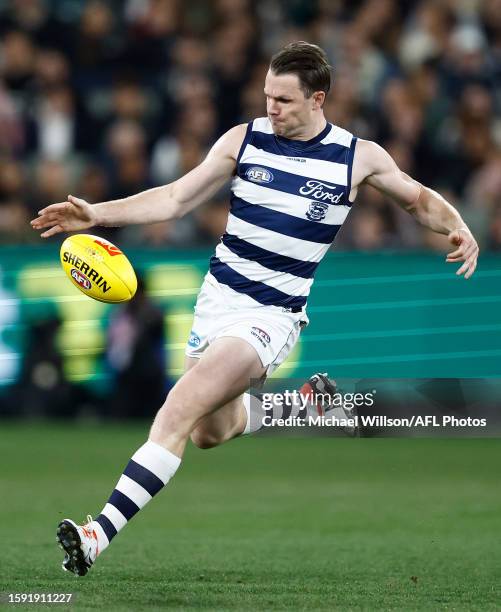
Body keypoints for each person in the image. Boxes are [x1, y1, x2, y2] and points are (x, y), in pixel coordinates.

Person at [31, 41, 479, 576]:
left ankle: (97, 533)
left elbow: (418, 199)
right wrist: (97, 214)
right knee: (207, 432)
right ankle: (306, 406)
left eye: (284, 100)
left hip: (270, 316)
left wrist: (457, 224)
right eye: (267, 95)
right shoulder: (244, 140)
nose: (271, 108)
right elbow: (175, 198)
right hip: (217, 299)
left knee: (177, 410)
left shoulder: (357, 157)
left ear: (318, 99)